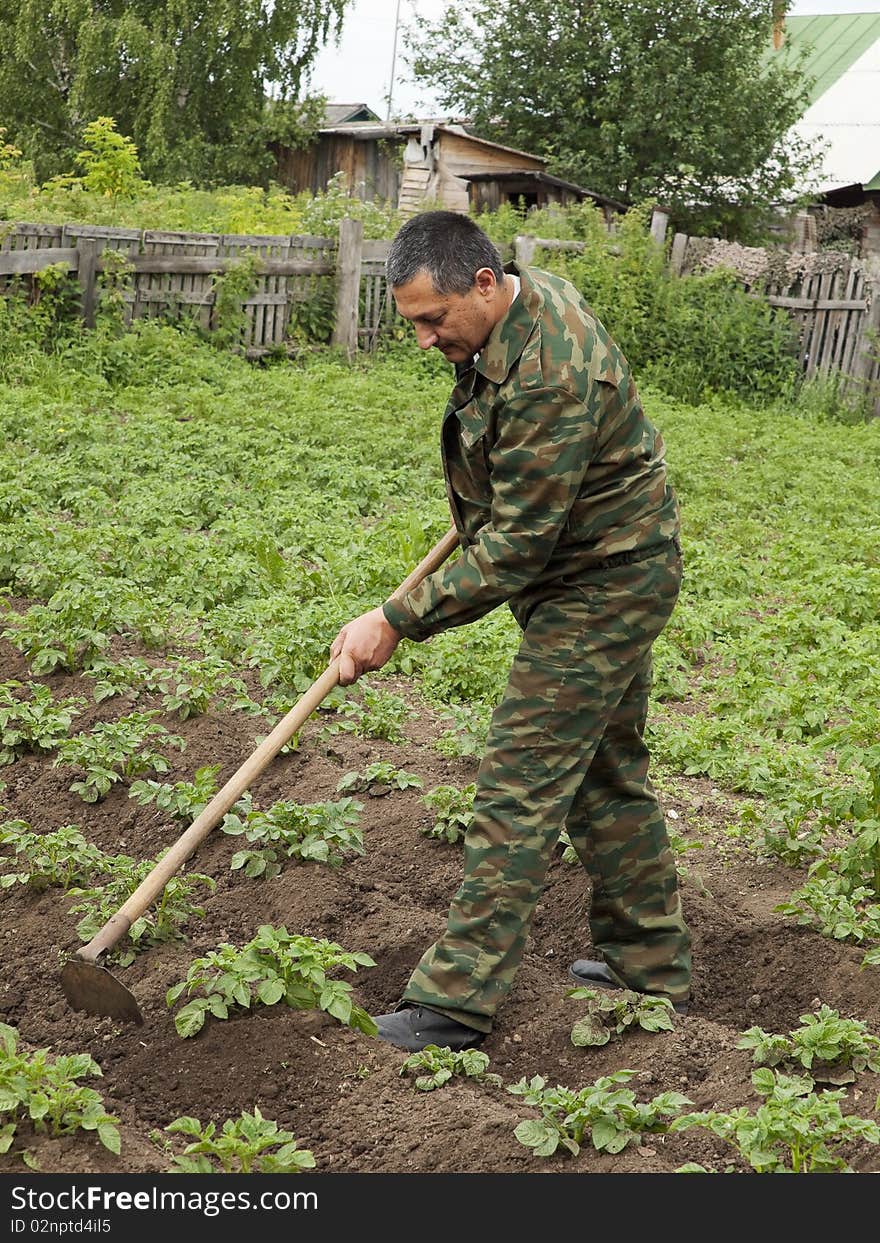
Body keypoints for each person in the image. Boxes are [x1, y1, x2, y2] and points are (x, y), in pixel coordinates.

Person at [329, 210, 692, 1052]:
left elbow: (517, 549)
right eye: (412, 320)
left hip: (603, 584)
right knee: (604, 772)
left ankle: (454, 1002)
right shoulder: (519, 313)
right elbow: (518, 502)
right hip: (603, 564)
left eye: (432, 319)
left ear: (484, 284)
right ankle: (650, 960)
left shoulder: (553, 374)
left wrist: (395, 620)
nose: (423, 340)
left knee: (519, 780)